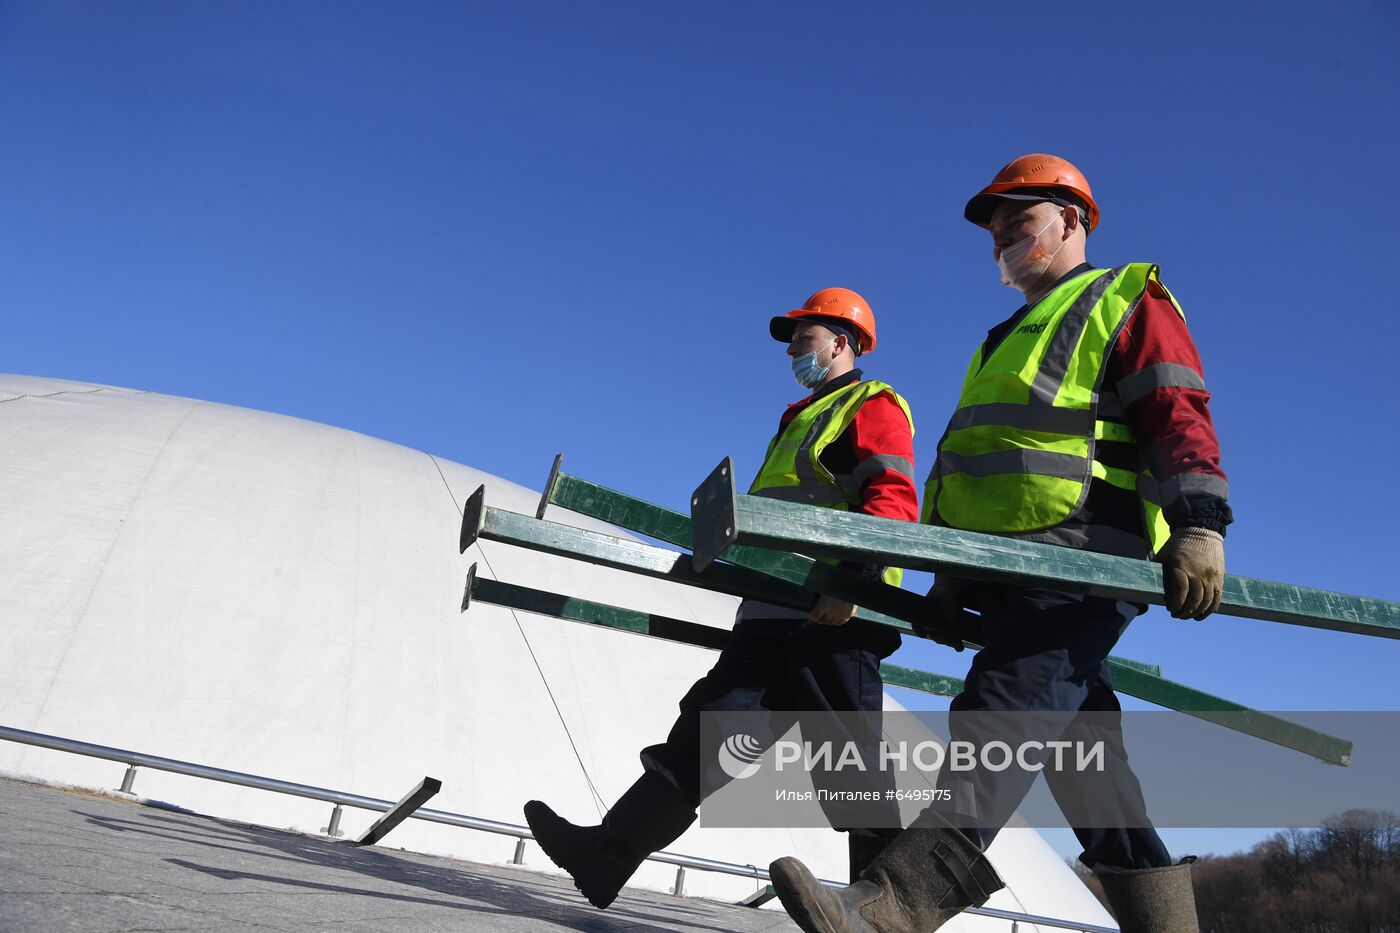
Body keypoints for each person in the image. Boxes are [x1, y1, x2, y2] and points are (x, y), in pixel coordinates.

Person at [769, 155, 1231, 933]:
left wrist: (1199, 521)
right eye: (994, 232)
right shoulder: (1002, 339)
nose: (1003, 241)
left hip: (1088, 551)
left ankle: (896, 902)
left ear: (1072, 220)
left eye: (1019, 221)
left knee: (1001, 710)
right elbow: (966, 460)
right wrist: (952, 571)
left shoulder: (1125, 298)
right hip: (1014, 563)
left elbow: (1176, 407)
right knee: (1090, 766)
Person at [523, 287, 921, 908]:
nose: (792, 350)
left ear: (841, 343)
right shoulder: (800, 417)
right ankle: (607, 856)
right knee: (707, 735)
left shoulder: (872, 405)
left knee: (850, 762)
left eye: (805, 337)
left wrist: (854, 579)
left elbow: (892, 497)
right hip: (772, 611)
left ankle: (883, 911)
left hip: (831, 615)